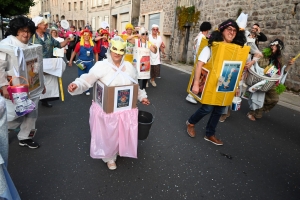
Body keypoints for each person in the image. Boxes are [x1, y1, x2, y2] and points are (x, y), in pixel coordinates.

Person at [68, 36, 150, 170]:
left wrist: (142, 97)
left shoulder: (129, 67)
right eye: (114, 50)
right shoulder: (101, 66)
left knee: (121, 132)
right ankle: (109, 157)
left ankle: (118, 150)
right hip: (108, 111)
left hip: (124, 110)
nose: (117, 53)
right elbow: (87, 80)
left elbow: (135, 86)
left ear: (124, 51)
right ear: (110, 49)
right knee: (108, 134)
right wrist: (76, 85)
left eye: (120, 50)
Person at [186, 19, 247, 145]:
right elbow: (199, 65)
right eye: (229, 29)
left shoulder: (236, 50)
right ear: (222, 31)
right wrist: (196, 84)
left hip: (225, 85)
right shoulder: (211, 47)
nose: (232, 32)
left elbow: (236, 69)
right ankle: (191, 123)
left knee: (219, 110)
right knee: (207, 108)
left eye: (234, 30)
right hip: (211, 84)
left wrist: (235, 87)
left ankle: (210, 134)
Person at [0, 16, 45, 148]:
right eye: (22, 31)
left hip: (32, 87)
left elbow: (36, 67)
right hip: (14, 88)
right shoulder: (5, 46)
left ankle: (25, 137)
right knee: (13, 114)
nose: (26, 34)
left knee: (32, 113)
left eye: (28, 31)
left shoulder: (30, 46)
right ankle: (4, 131)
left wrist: (41, 83)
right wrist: (3, 86)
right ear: (16, 31)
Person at [247, 39, 295, 121]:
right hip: (260, 79)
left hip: (271, 81)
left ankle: (260, 109)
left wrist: (289, 65)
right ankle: (253, 112)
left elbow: (283, 72)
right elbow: (258, 64)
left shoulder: (280, 59)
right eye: (272, 45)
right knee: (257, 102)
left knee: (274, 99)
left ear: (279, 48)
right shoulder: (264, 54)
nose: (273, 46)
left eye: (275, 46)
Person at [30, 16, 70, 108]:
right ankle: (34, 100)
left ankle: (45, 100)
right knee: (36, 81)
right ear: (38, 25)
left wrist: (67, 40)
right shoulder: (31, 36)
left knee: (48, 82)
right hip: (36, 63)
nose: (47, 26)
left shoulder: (48, 36)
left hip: (49, 62)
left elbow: (59, 45)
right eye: (45, 24)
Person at [186, 21, 212, 104]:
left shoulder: (198, 36)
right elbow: (201, 49)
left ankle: (193, 94)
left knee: (196, 76)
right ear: (207, 29)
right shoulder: (203, 38)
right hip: (200, 59)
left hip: (196, 58)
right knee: (198, 77)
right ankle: (191, 95)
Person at [69, 29, 98, 95]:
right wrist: (70, 61)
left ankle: (87, 89)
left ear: (90, 36)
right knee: (81, 76)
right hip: (81, 63)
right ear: (82, 36)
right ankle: (80, 87)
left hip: (90, 63)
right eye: (85, 35)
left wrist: (97, 62)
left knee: (89, 76)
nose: (86, 36)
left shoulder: (92, 44)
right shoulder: (79, 44)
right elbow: (74, 52)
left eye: (88, 35)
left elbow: (96, 53)